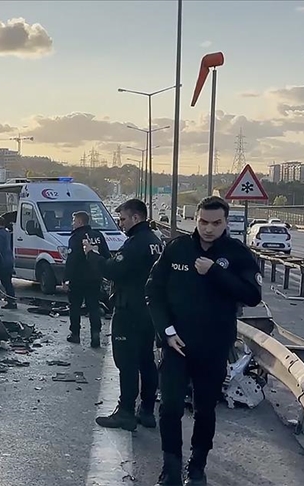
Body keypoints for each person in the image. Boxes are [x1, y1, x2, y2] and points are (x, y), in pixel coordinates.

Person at [146, 196, 262, 486]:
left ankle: (196, 467)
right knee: (170, 406)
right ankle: (170, 468)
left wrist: (215, 271)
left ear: (225, 222)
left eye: (216, 223)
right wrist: (166, 332)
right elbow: (153, 291)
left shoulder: (237, 254)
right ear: (195, 220)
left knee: (205, 409)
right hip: (176, 345)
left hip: (213, 346)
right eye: (203, 222)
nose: (209, 229)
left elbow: (252, 296)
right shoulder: (177, 248)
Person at [85, 199, 162, 431]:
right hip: (150, 310)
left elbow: (113, 270)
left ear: (136, 218)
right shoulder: (156, 242)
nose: (121, 224)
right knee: (147, 360)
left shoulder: (135, 243)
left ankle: (126, 412)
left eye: (123, 219)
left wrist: (92, 255)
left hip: (130, 310)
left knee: (127, 363)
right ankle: (147, 411)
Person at [65, 211, 109, 348]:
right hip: (94, 278)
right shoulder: (98, 236)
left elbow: (71, 260)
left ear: (79, 222)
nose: (72, 224)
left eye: (74, 221)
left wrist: (66, 278)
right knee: (94, 307)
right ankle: (95, 335)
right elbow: (106, 255)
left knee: (75, 307)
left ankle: (75, 334)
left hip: (78, 279)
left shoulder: (75, 237)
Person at [0, 216, 16, 309]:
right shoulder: (7, 233)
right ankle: (11, 300)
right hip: (8, 261)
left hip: (1, 262)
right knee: (7, 283)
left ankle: (9, 301)